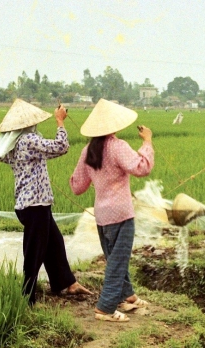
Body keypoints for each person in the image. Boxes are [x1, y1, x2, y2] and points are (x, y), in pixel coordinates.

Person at [0, 98, 91, 306]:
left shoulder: (7, 144)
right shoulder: (29, 140)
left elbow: (3, 148)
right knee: (34, 253)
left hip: (28, 203)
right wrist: (60, 122)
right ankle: (26, 298)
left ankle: (66, 283)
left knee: (54, 242)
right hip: (35, 204)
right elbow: (61, 146)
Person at [70, 99, 154, 322]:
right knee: (118, 261)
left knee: (115, 258)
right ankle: (105, 308)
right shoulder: (118, 146)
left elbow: (77, 186)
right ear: (113, 126)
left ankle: (129, 297)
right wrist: (147, 142)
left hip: (102, 215)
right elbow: (142, 168)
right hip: (121, 214)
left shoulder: (88, 151)